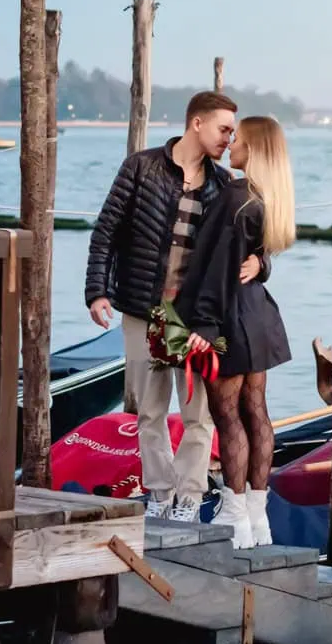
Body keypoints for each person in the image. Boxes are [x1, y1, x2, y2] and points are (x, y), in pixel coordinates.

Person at [85, 91, 261, 521]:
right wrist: (97, 290)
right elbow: (106, 231)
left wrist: (263, 262)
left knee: (199, 414)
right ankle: (160, 493)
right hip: (142, 307)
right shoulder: (141, 167)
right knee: (150, 411)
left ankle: (190, 496)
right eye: (223, 129)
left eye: (232, 132)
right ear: (196, 124)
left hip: (196, 316)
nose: (228, 139)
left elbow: (252, 237)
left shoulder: (224, 185)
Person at [175, 115, 295, 548]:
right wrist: (262, 264)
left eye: (239, 140)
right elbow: (252, 258)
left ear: (256, 150)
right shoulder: (268, 197)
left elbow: (216, 268)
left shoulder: (235, 197)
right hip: (259, 320)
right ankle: (257, 519)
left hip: (229, 318)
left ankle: (233, 514)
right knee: (256, 413)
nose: (232, 146)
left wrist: (203, 324)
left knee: (228, 419)